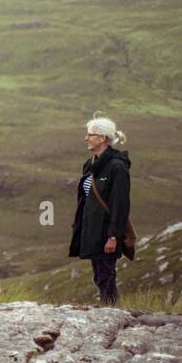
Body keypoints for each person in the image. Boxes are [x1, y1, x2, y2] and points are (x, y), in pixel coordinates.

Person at [69, 112, 132, 305]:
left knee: (106, 272)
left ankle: (111, 310)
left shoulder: (117, 167)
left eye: (90, 134)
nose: (86, 138)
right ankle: (108, 307)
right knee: (98, 274)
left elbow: (120, 204)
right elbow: (86, 199)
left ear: (103, 138)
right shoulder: (90, 165)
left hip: (107, 232)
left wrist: (113, 235)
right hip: (91, 229)